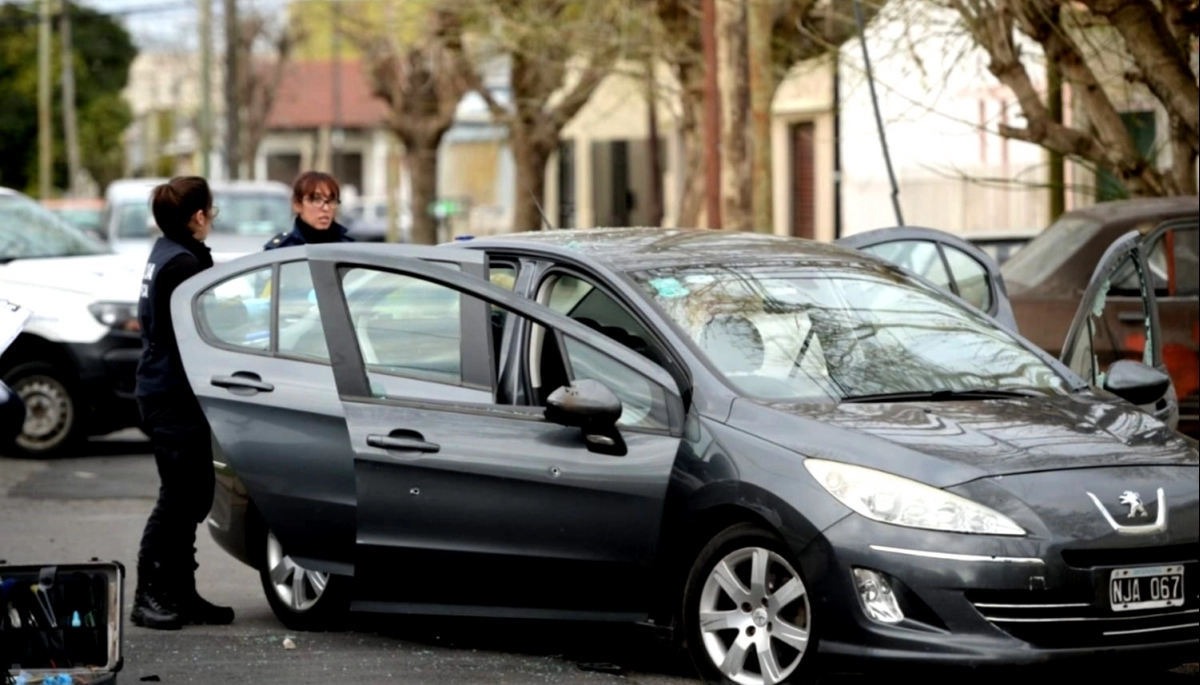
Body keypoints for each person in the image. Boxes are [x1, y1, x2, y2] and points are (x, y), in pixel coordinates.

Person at [132, 177, 234, 630]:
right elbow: (198, 331)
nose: (211, 218)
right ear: (197, 216)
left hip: (166, 389)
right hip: (172, 395)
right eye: (210, 210)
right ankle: (148, 593)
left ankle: (180, 592)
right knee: (178, 499)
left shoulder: (167, 253)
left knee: (192, 496)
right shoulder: (182, 266)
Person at [264, 171, 354, 250]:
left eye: (331, 201)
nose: (326, 208)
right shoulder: (282, 250)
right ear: (297, 205)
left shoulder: (348, 249)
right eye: (317, 200)